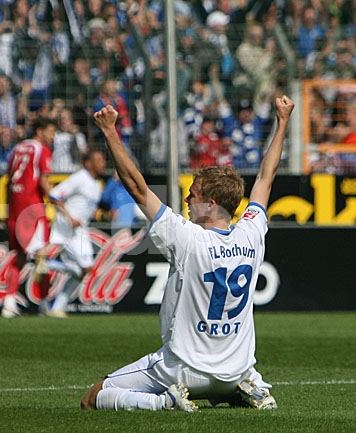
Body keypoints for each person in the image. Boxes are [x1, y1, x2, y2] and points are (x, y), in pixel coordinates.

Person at [80, 95, 295, 412]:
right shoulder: (251, 232)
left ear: (210, 204)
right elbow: (266, 177)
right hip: (236, 370)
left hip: (182, 368)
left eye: (192, 195)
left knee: (93, 397)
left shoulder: (187, 237)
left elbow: (137, 188)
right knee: (226, 383)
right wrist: (283, 121)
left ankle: (164, 401)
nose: (186, 201)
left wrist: (110, 133)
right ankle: (249, 390)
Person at [2, 117, 57, 318]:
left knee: (19, 257)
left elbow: (9, 179)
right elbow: (43, 180)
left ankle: (8, 303)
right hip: (33, 209)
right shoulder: (41, 150)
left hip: (15, 208)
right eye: (50, 131)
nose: (52, 136)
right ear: (40, 131)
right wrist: (57, 200)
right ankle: (43, 304)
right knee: (43, 256)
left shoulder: (17, 149)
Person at [43, 150, 107, 318]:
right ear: (88, 163)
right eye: (99, 159)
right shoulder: (80, 177)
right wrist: (69, 217)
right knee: (85, 267)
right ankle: (50, 262)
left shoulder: (96, 184)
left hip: (81, 230)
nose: (103, 163)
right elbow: (54, 195)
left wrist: (104, 215)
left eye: (103, 160)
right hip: (68, 229)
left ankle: (56, 306)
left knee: (84, 271)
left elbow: (86, 208)